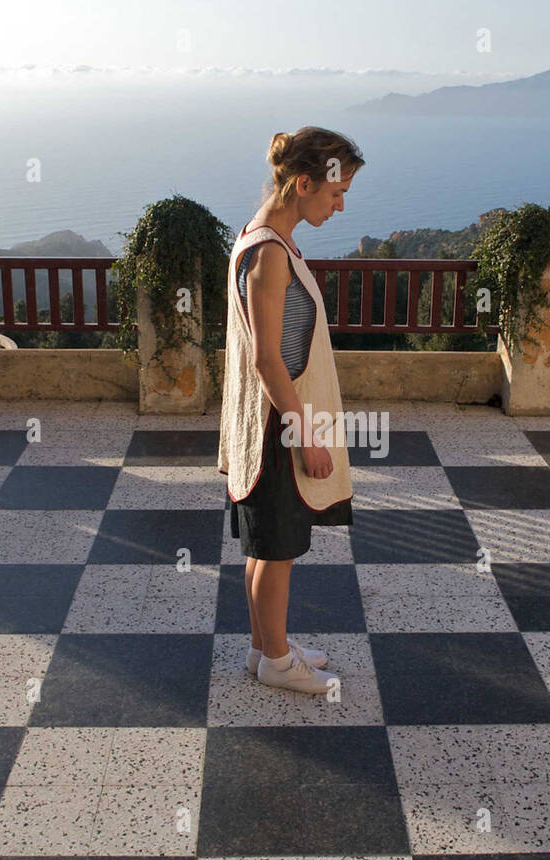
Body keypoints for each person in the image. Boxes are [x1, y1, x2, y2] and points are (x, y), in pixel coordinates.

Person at [217, 127, 364, 694]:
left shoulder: (265, 237)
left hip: (270, 421)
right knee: (276, 552)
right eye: (334, 192)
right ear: (303, 183)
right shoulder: (268, 255)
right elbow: (268, 361)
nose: (340, 204)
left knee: (264, 548)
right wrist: (306, 434)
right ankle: (278, 663)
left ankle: (265, 649)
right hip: (278, 425)